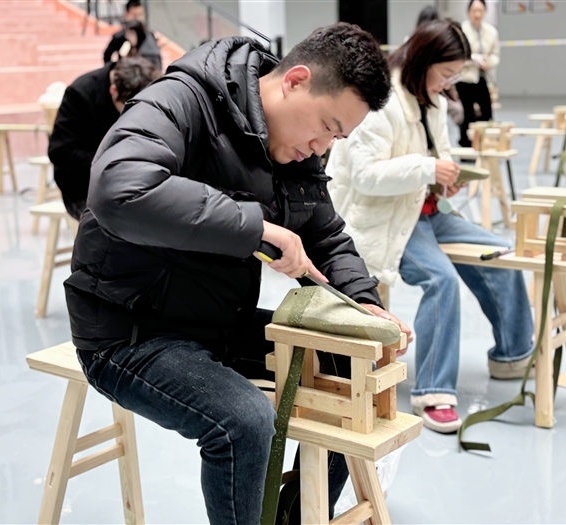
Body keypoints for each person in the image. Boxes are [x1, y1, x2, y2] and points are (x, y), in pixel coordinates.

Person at [67, 24, 411, 524]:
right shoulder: (183, 99)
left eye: (336, 138)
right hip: (130, 329)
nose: (321, 147)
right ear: (295, 80)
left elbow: (325, 235)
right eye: (325, 126)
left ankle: (295, 516)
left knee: (351, 364)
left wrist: (365, 304)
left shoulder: (297, 148)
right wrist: (255, 228)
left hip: (218, 319)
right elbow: (121, 189)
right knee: (245, 423)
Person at [326, 20, 533, 434]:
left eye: (456, 74)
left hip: (425, 207)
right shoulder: (381, 102)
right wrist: (427, 169)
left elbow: (437, 154)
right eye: (447, 73)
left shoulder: (432, 99)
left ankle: (512, 356)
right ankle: (434, 391)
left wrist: (445, 177)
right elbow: (365, 177)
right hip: (386, 213)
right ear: (424, 61)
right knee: (441, 280)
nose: (451, 82)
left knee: (501, 254)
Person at [48, 56, 160, 220]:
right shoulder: (80, 93)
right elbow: (60, 152)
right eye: (127, 110)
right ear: (113, 91)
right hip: (85, 187)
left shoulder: (149, 93)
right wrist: (113, 168)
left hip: (135, 182)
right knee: (120, 224)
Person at [455, 0, 500, 147]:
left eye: (480, 10)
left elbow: (495, 55)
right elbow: (458, 55)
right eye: (474, 10)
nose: (477, 14)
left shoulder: (491, 32)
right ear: (469, 12)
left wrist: (489, 62)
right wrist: (475, 60)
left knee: (487, 113)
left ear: (485, 12)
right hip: (465, 79)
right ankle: (466, 147)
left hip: (482, 78)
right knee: (467, 114)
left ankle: (486, 144)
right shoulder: (462, 30)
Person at [103, 0, 162, 71]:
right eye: (134, 15)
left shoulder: (149, 35)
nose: (137, 18)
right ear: (127, 15)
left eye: (140, 15)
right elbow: (107, 54)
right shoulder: (120, 36)